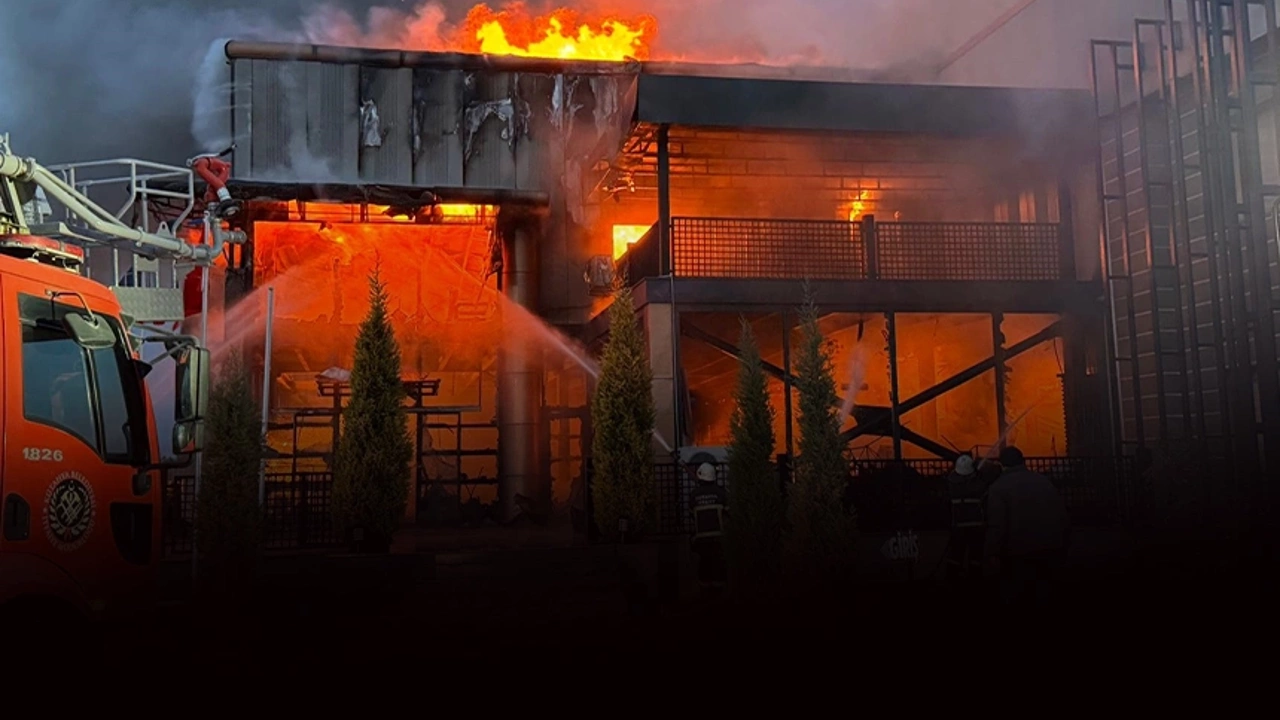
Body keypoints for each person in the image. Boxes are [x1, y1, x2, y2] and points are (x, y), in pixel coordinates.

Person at [984, 446, 1071, 610]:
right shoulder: (1044, 482)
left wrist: (992, 552)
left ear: (1002, 465)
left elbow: (997, 524)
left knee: (1017, 597)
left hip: (1018, 552)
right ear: (1023, 461)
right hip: (1051, 547)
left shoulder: (998, 488)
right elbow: (1062, 514)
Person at [944, 454, 986, 585]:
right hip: (977, 526)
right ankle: (975, 580)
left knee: (955, 555)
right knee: (976, 556)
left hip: (958, 526)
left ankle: (952, 580)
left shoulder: (951, 484)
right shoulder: (978, 484)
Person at [688, 462, 729, 596]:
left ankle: (705, 597)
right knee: (719, 566)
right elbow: (728, 513)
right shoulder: (721, 493)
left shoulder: (694, 495)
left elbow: (691, 515)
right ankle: (719, 598)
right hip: (719, 538)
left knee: (704, 566)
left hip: (701, 539)